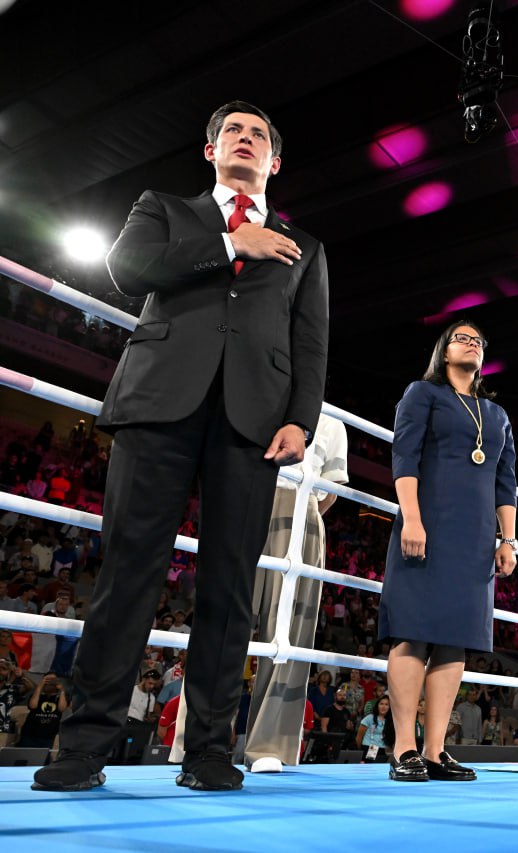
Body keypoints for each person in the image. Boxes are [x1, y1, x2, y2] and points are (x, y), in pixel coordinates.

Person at [34, 100, 329, 793]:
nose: (245, 138)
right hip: (158, 405)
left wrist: (302, 420)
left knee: (230, 587)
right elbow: (128, 268)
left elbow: (311, 341)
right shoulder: (163, 208)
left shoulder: (306, 248)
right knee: (128, 573)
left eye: (258, 134)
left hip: (254, 423)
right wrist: (231, 245)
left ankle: (208, 750)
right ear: (211, 151)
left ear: (275, 160)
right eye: (233, 131)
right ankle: (84, 745)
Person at [380, 320, 517, 783]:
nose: (471, 344)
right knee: (412, 632)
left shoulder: (496, 415)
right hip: (428, 523)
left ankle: (435, 750)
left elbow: (506, 481)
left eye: (478, 341)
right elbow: (405, 456)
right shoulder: (423, 393)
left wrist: (507, 539)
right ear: (443, 350)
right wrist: (412, 518)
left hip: (475, 537)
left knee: (456, 639)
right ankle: (404, 747)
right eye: (462, 337)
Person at [222, 412, 347, 774]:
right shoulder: (253, 400)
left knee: (288, 632)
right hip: (247, 498)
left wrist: (302, 510)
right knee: (225, 617)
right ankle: (198, 734)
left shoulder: (332, 422)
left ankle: (269, 744)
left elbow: (330, 492)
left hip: (302, 506)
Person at [356, 695, 391, 763]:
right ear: (377, 705)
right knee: (371, 767)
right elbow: (359, 737)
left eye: (386, 704)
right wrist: (360, 751)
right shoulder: (369, 718)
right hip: (370, 747)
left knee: (380, 768)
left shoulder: (389, 721)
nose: (383, 706)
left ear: (389, 707)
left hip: (382, 749)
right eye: (381, 704)